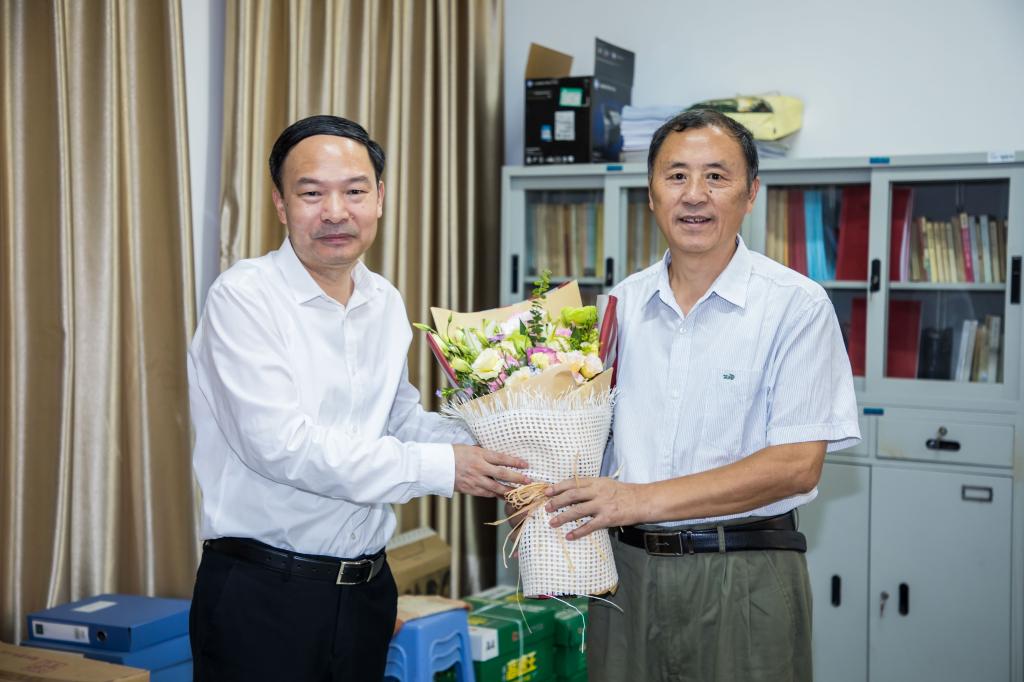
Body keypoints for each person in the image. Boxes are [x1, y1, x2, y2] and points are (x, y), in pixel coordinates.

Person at [187, 115, 529, 681]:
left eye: (354, 191)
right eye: (311, 194)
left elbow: (397, 421)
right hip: (265, 595)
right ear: (280, 204)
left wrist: (498, 439)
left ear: (380, 198)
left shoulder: (384, 301)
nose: (335, 212)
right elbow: (283, 447)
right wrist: (446, 467)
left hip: (367, 593)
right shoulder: (243, 298)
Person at [544, 109, 860, 681]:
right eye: (676, 176)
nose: (694, 195)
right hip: (626, 576)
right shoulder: (618, 305)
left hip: (744, 574)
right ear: (651, 195)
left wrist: (638, 500)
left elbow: (796, 465)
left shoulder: (796, 305)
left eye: (716, 176)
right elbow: (588, 436)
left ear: (751, 193)